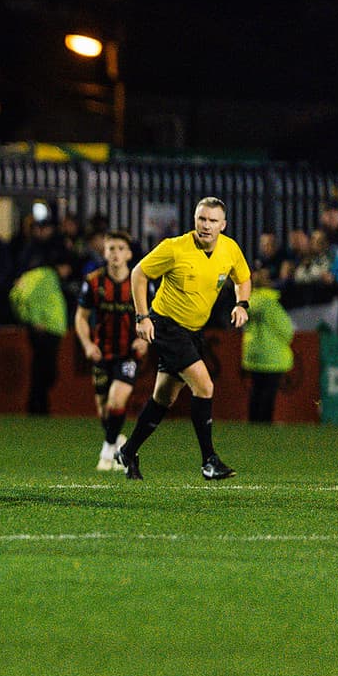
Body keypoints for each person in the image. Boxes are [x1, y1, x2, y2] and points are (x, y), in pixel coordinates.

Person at [117, 197, 251, 481]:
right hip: (166, 326)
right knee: (204, 385)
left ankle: (128, 451)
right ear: (194, 220)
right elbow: (138, 273)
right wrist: (142, 317)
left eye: (212, 221)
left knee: (163, 397)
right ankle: (209, 461)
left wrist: (242, 304)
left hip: (193, 331)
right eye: (202, 219)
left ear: (223, 225)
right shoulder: (174, 248)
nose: (206, 225)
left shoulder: (229, 249)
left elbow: (243, 278)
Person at [74, 230, 148, 471]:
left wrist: (145, 341)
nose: (116, 253)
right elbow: (81, 317)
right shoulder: (94, 282)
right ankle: (118, 443)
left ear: (129, 254)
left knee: (117, 399)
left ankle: (107, 450)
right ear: (104, 253)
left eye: (120, 249)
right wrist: (87, 344)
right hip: (102, 352)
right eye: (111, 249)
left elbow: (155, 314)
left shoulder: (140, 282)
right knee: (104, 409)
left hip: (129, 353)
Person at [8, 249, 70, 416]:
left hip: (43, 328)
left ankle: (38, 405)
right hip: (47, 329)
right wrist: (36, 321)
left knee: (40, 369)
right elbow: (34, 298)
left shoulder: (31, 276)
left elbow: (16, 296)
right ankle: (38, 406)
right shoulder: (47, 276)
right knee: (47, 371)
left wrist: (25, 317)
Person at [242, 268, 294, 423]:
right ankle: (265, 423)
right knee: (268, 392)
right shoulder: (270, 303)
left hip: (253, 352)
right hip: (272, 354)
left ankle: (253, 422)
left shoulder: (248, 302)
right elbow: (286, 329)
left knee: (256, 390)